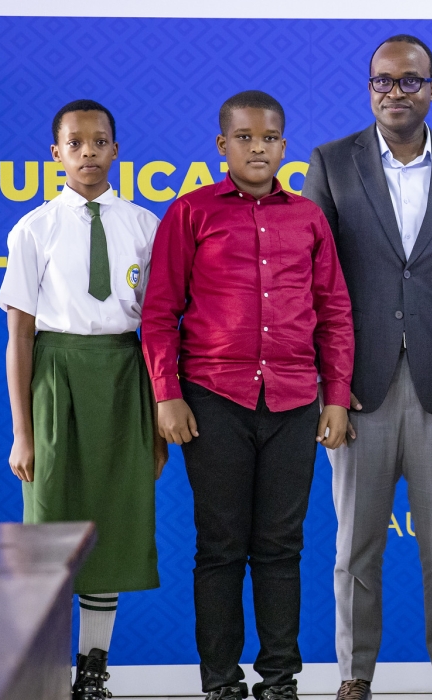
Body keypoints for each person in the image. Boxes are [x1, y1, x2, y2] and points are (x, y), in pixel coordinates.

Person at [141, 90, 354, 700]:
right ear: (222, 146)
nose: (256, 148)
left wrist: (335, 396)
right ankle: (220, 682)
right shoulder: (190, 214)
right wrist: (167, 394)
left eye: (268, 139)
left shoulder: (308, 218)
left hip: (293, 401)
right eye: (244, 138)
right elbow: (159, 315)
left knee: (281, 547)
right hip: (212, 399)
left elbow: (334, 312)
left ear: (284, 147)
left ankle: (280, 679)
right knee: (221, 546)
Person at [301, 34, 432, 700]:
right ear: (369, 87)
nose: (395, 92)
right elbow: (318, 284)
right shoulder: (330, 162)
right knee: (356, 547)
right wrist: (332, 386)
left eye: (410, 82)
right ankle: (354, 675)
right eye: (383, 81)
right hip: (359, 386)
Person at [0, 99, 162, 700]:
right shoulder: (33, 229)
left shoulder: (145, 226)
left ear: (116, 150)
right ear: (56, 153)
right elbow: (19, 336)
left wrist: (158, 412)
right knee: (49, 530)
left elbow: (161, 324)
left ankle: (93, 671)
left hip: (124, 375)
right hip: (55, 378)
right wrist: (22, 432)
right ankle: (43, 672)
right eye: (75, 143)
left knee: (111, 526)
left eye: (99, 142)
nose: (88, 153)